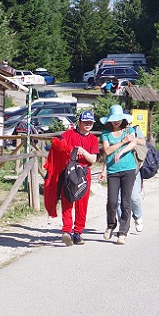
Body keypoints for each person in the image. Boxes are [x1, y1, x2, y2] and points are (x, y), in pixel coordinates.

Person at [43, 110, 99, 245]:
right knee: (67, 201)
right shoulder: (69, 134)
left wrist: (83, 152)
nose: (87, 124)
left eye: (90, 122)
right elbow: (57, 143)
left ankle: (78, 233)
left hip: (84, 174)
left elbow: (93, 159)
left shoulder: (93, 139)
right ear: (79, 122)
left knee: (82, 204)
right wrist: (67, 149)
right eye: (85, 122)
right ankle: (67, 231)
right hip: (69, 173)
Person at [99, 104, 138, 245]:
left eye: (119, 119)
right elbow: (107, 151)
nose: (117, 121)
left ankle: (123, 233)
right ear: (110, 120)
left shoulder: (129, 130)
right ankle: (111, 225)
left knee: (126, 203)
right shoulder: (106, 134)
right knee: (112, 202)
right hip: (113, 171)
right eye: (114, 119)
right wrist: (122, 142)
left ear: (123, 119)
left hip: (128, 169)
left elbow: (133, 144)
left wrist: (121, 151)